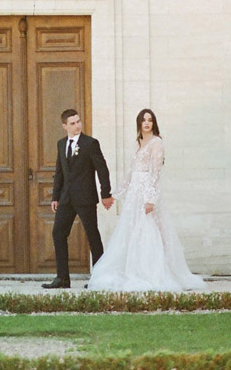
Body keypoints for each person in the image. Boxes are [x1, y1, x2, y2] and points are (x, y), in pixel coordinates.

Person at [87, 108, 205, 292]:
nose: (147, 123)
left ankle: (149, 272)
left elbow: (155, 173)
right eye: (144, 120)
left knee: (147, 230)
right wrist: (114, 195)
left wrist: (151, 199)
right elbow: (130, 173)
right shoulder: (140, 143)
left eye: (150, 120)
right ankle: (133, 269)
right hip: (134, 193)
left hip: (145, 193)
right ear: (139, 123)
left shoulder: (157, 143)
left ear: (154, 123)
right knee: (131, 230)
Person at [42, 108, 114, 289]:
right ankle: (62, 278)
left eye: (78, 121)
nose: (77, 125)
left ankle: (99, 278)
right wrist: (55, 196)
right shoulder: (61, 144)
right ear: (64, 126)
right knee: (58, 233)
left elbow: (102, 169)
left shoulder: (90, 144)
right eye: (73, 123)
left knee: (92, 236)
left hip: (86, 198)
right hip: (66, 199)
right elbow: (59, 172)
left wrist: (106, 194)